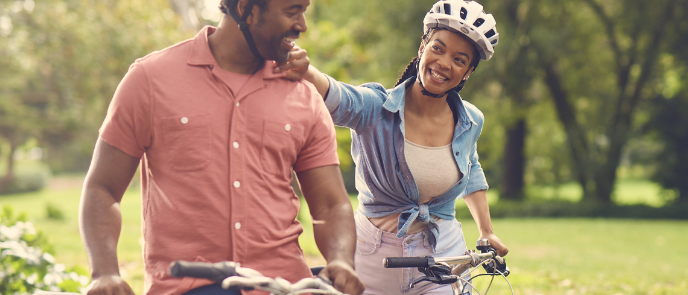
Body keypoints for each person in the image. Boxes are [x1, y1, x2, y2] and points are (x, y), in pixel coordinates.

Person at [78, 0, 364, 294]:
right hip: (190, 285)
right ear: (246, 9)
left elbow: (331, 205)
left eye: (303, 11)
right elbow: (103, 188)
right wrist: (105, 273)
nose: (301, 25)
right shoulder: (150, 80)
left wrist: (341, 261)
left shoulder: (304, 96)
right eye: (292, 11)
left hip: (283, 284)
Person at [275, 0, 509, 293]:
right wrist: (307, 72)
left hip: (442, 252)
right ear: (422, 46)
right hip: (373, 254)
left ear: (469, 71)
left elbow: (470, 167)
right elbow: (338, 96)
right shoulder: (376, 107)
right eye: (438, 48)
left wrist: (487, 232)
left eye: (459, 60)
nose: (444, 63)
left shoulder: (470, 120)